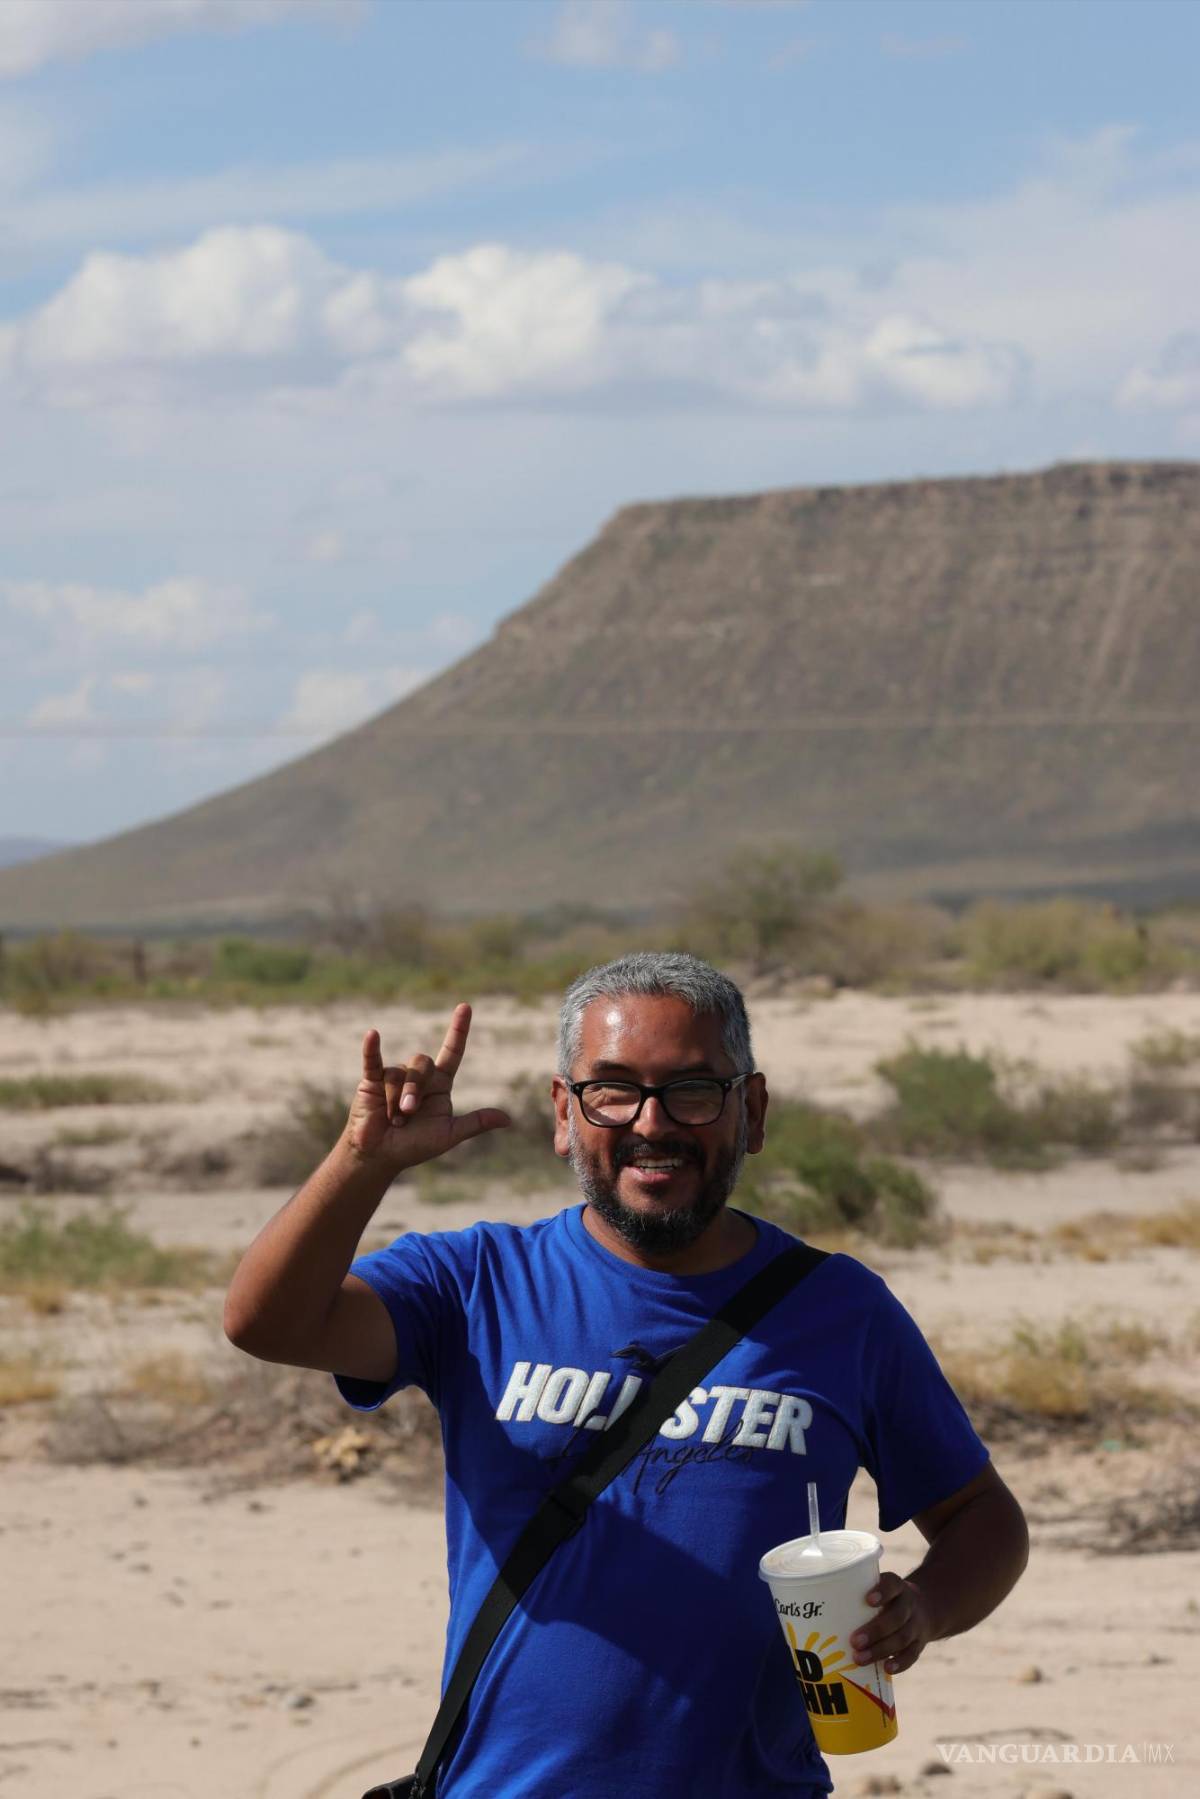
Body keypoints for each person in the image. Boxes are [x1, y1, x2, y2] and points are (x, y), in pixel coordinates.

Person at [225, 952, 1028, 1798]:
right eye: (612, 1090)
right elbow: (266, 1321)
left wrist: (926, 1608)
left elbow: (982, 1517)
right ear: (564, 1115)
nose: (653, 1123)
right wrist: (363, 1163)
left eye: (693, 1089)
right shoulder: (475, 1282)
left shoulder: (842, 1311)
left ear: (750, 1110)